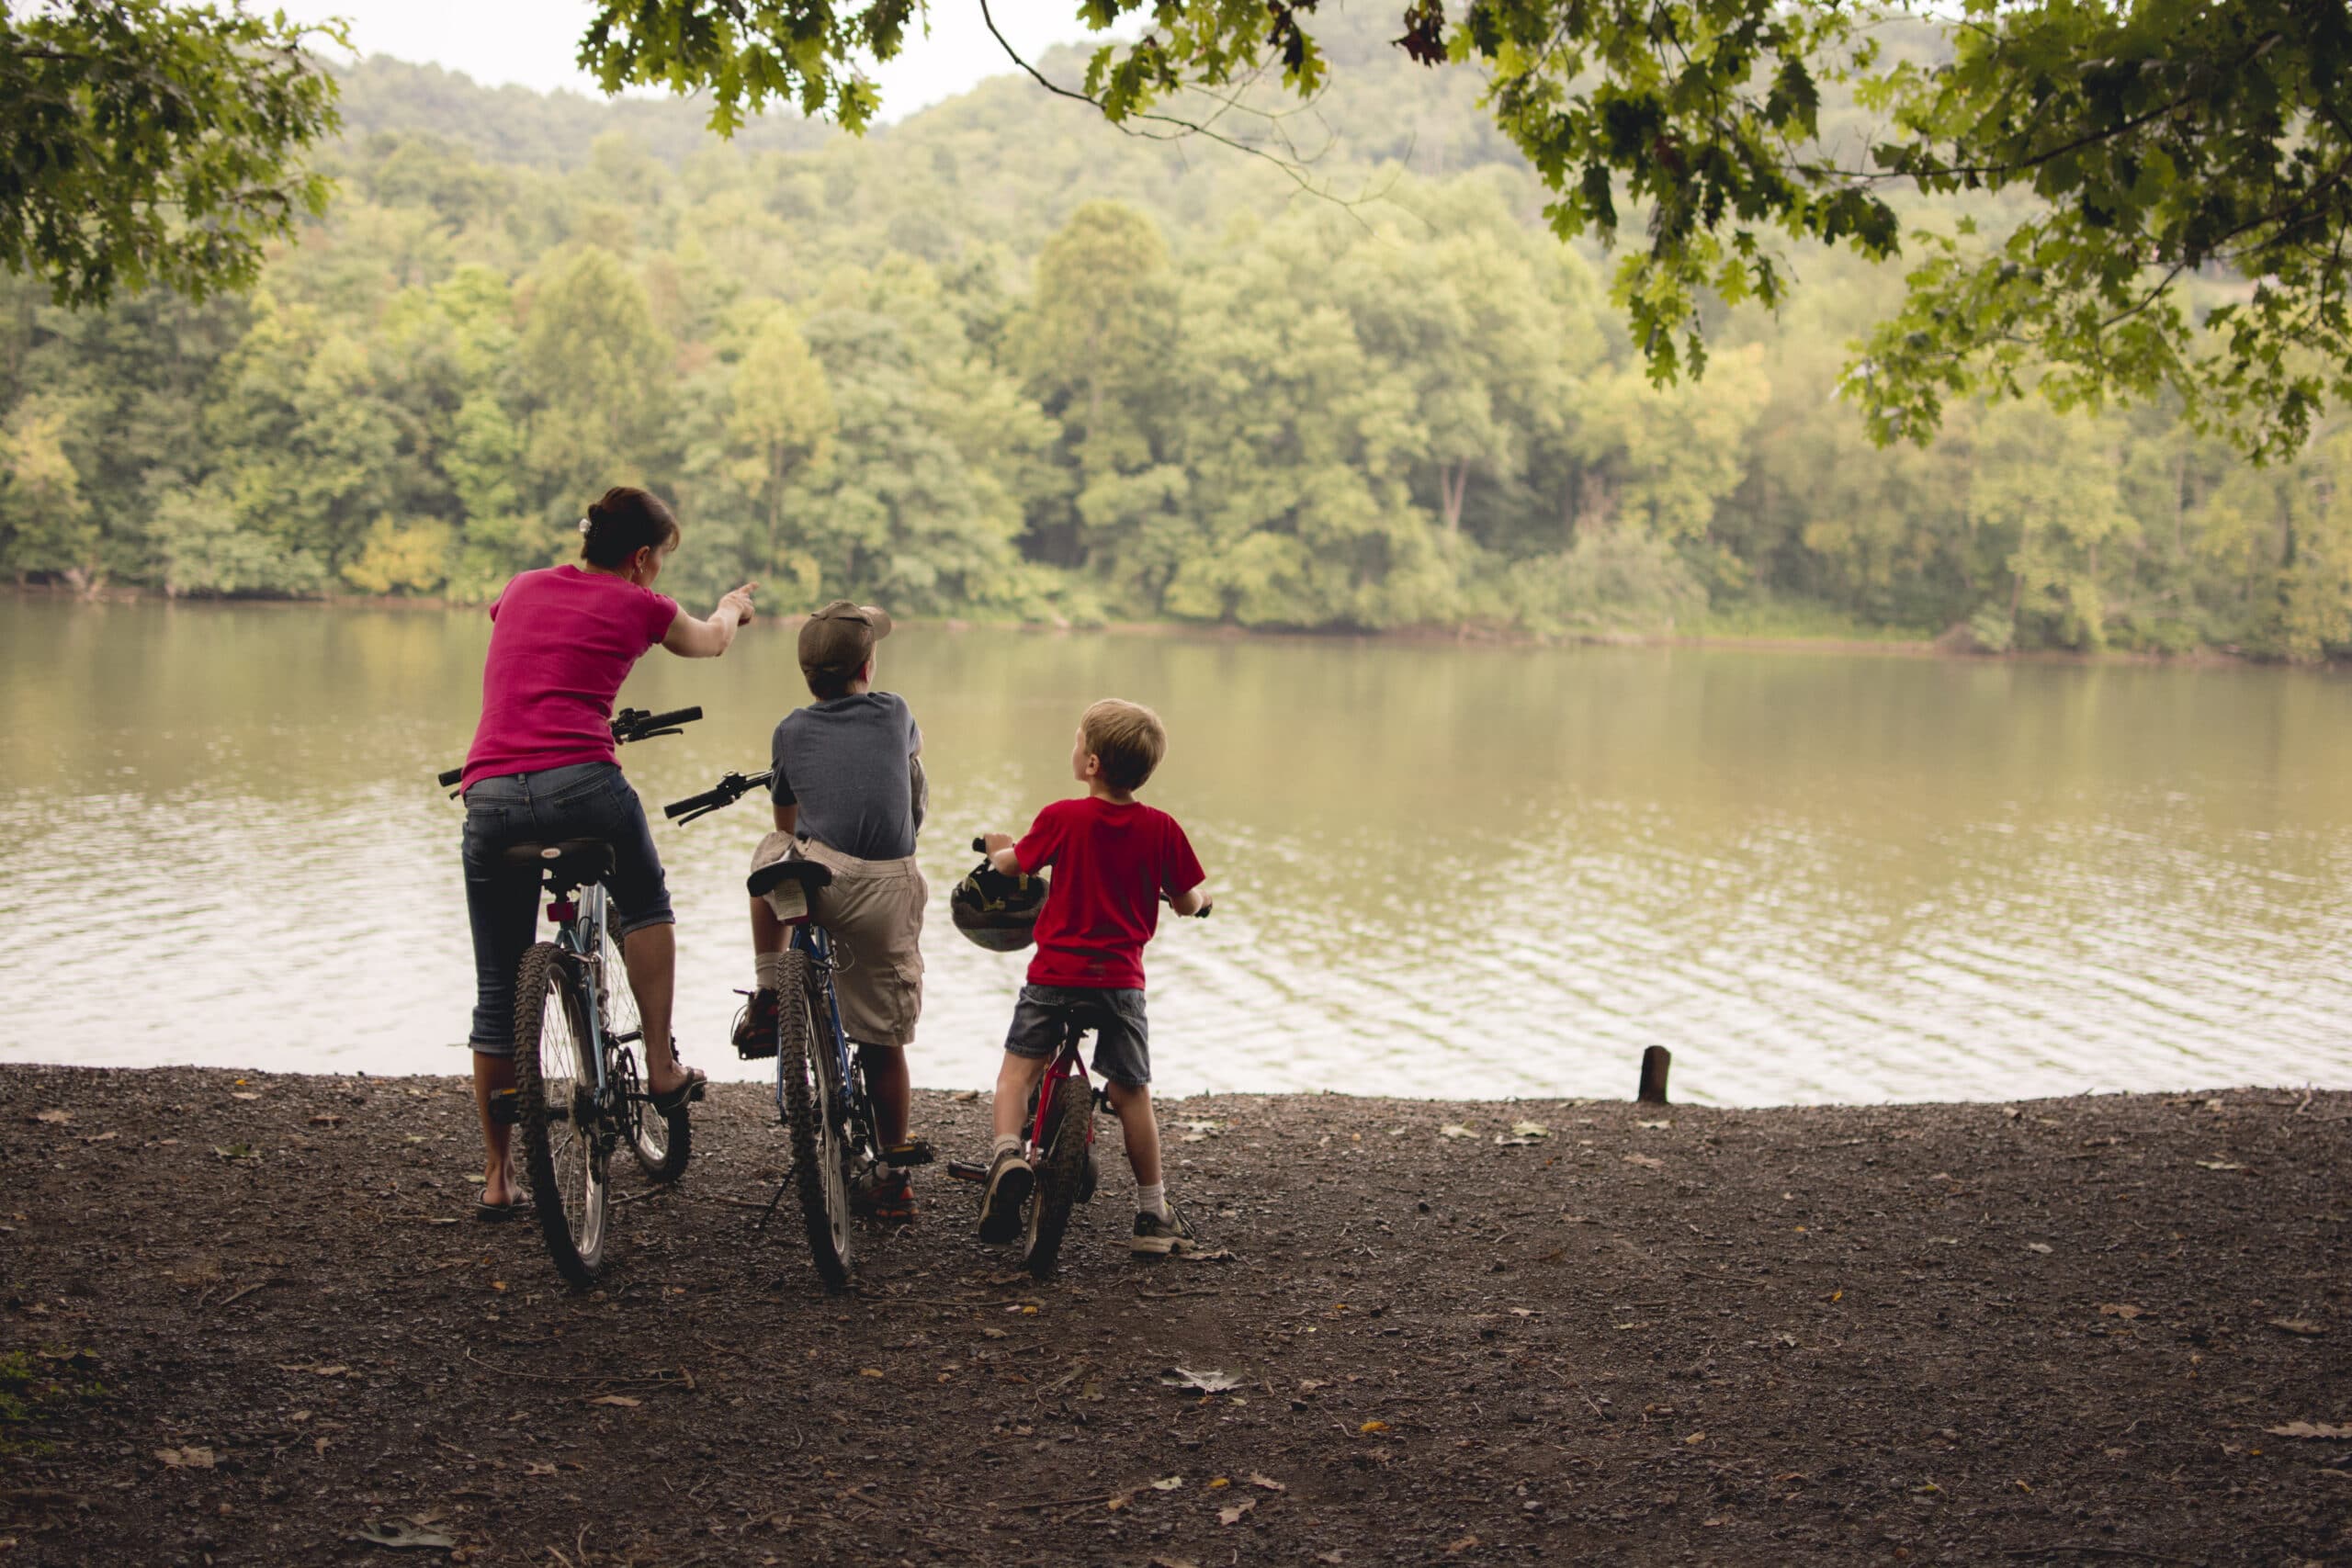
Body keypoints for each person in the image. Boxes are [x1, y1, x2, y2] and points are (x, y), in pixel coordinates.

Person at [458, 487, 755, 1218]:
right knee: (647, 902)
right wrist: (732, 609)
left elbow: (526, 639)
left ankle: (498, 1177)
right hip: (584, 785)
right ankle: (658, 1065)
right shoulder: (642, 604)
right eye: (658, 562)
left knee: (497, 992)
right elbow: (710, 640)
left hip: (490, 794)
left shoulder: (521, 587)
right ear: (643, 558)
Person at [976, 698, 1212, 1257]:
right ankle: (1153, 1214)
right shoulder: (1162, 829)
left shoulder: (1061, 818)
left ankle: (1007, 1154)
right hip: (1121, 986)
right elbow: (1185, 899)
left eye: (1078, 740)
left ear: (1092, 764)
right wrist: (1201, 904)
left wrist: (997, 850)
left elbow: (1014, 866)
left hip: (1054, 975)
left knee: (1017, 1074)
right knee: (1132, 1095)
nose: (1074, 748)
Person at [736, 602, 932, 1220]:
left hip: (820, 880)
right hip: (891, 885)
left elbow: (786, 822)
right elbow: (912, 794)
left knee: (772, 855)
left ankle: (770, 991)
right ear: (869, 666)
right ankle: (894, 1177)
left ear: (806, 676)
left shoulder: (790, 731)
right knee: (883, 1041)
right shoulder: (896, 711)